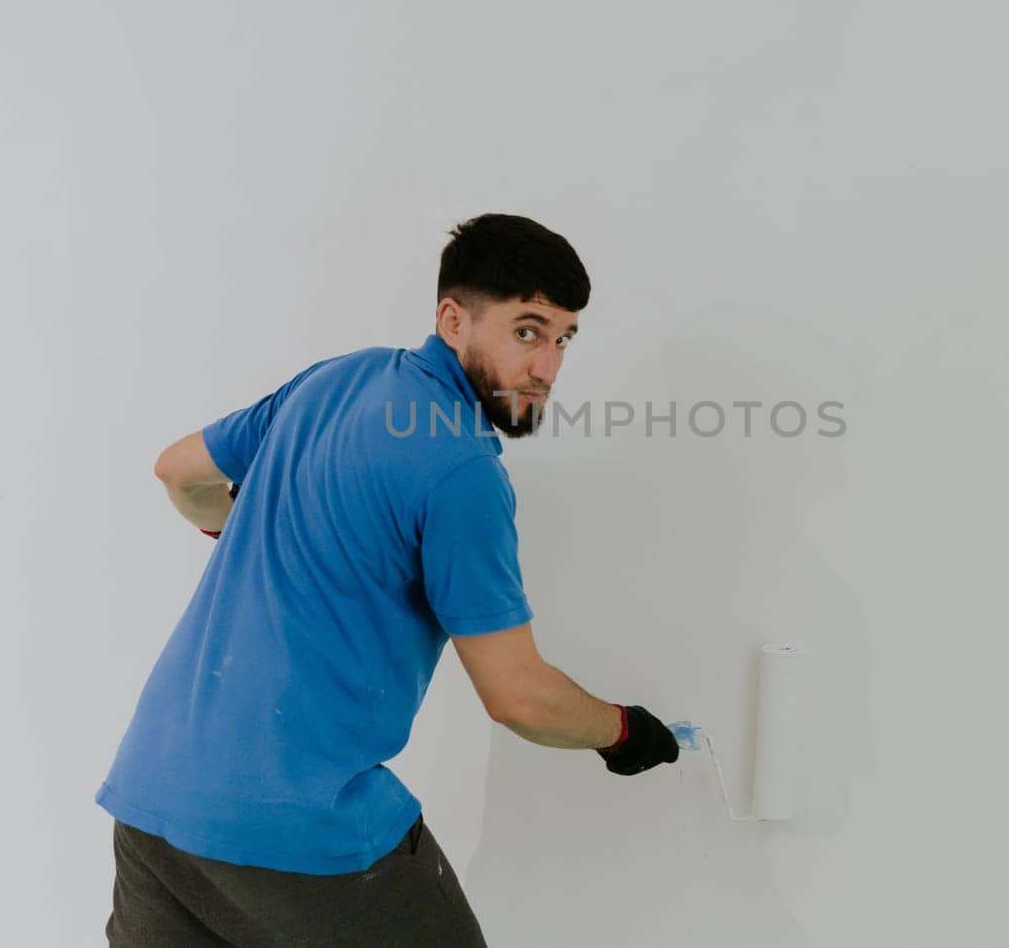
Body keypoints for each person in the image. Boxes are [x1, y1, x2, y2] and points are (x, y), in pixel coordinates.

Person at [96, 213, 679, 946]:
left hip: (155, 795)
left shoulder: (338, 379)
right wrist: (623, 731)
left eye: (563, 338)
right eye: (527, 330)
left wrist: (234, 527)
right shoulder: (462, 471)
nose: (547, 367)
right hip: (295, 825)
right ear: (452, 318)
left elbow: (180, 471)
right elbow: (518, 696)